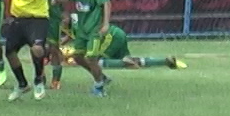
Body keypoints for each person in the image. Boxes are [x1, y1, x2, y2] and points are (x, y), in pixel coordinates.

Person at [59, 14, 187, 72]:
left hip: (110, 38)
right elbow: (71, 35)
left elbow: (82, 47)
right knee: (130, 60)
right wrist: (61, 44)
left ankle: (125, 64)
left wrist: (67, 57)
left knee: (94, 62)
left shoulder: (77, 26)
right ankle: (165, 61)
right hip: (118, 34)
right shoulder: (71, 22)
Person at [66, 0, 114, 97]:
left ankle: (99, 87)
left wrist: (105, 24)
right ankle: (101, 77)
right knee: (77, 56)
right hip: (82, 28)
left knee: (91, 57)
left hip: (94, 27)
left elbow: (106, 3)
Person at [42, 0, 70, 90]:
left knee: (53, 47)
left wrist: (59, 0)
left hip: (53, 15)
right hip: (37, 13)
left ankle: (56, 80)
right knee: (37, 46)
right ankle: (40, 77)